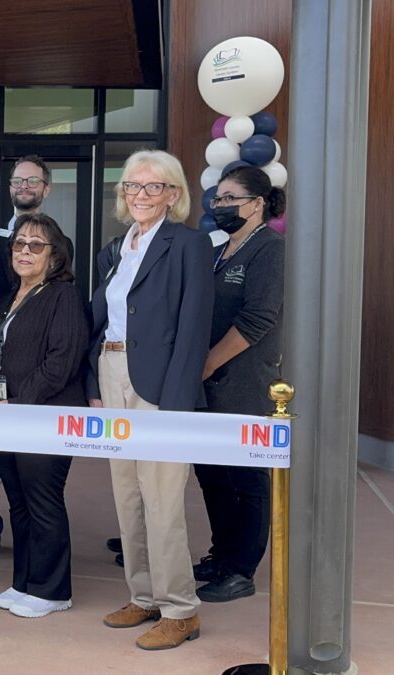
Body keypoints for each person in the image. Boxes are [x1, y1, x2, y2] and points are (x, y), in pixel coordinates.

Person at [87, 149, 214, 650]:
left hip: (161, 386)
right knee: (128, 496)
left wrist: (177, 405)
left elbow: (194, 328)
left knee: (162, 501)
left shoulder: (189, 244)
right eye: (132, 186)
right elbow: (101, 320)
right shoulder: (117, 248)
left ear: (173, 194)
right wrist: (94, 384)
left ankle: (180, 610)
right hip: (113, 372)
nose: (140, 194)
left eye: (152, 186)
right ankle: (143, 596)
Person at [0, 213, 89, 619]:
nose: (24, 251)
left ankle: (53, 590)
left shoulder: (64, 296)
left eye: (36, 245)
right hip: (4, 416)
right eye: (19, 243)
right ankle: (25, 581)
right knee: (17, 501)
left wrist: (18, 401)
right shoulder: (3, 300)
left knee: (42, 500)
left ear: (54, 256)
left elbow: (62, 361)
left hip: (43, 417)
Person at [193, 166, 285, 602]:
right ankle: (222, 554)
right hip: (208, 385)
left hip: (242, 382)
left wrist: (209, 362)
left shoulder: (269, 249)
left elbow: (258, 318)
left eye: (231, 198)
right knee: (212, 474)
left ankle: (241, 569)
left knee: (246, 477)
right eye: (218, 198)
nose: (221, 206)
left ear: (257, 203)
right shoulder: (219, 250)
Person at [0, 154, 53, 561]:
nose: (24, 187)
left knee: (29, 457)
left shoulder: (57, 240)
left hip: (34, 366)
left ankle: (32, 527)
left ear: (45, 189)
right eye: (18, 180)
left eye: (32, 181)